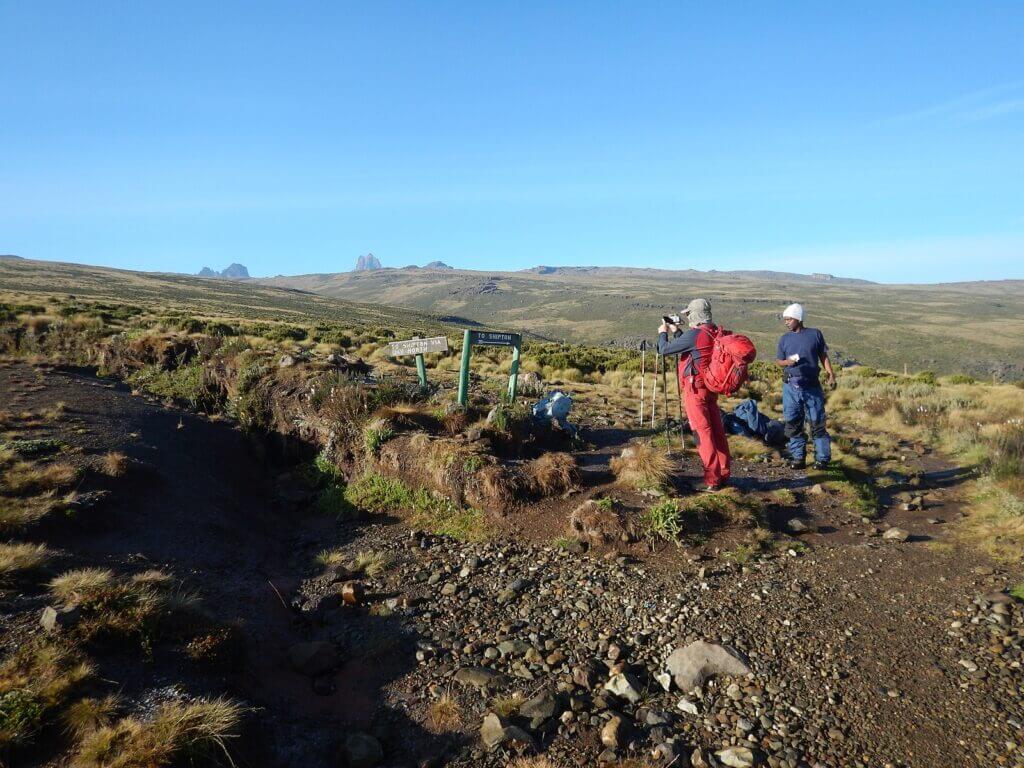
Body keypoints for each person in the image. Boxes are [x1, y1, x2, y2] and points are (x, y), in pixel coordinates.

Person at [658, 298, 730, 491]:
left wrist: (663, 333)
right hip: (710, 389)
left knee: (702, 434)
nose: (687, 317)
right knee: (716, 431)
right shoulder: (715, 331)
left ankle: (712, 480)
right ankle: (723, 473)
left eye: (689, 314)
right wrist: (677, 332)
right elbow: (695, 348)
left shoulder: (695, 334)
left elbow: (663, 350)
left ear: (695, 315)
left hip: (695, 391)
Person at [775, 303, 836, 470]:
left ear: (798, 319)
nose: (786, 322)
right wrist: (787, 362)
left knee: (817, 422)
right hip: (790, 387)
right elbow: (779, 361)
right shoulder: (785, 338)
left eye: (789, 319)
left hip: (812, 387)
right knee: (793, 422)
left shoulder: (815, 334)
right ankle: (798, 458)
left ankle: (822, 459)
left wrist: (830, 373)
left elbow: (823, 356)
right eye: (785, 319)